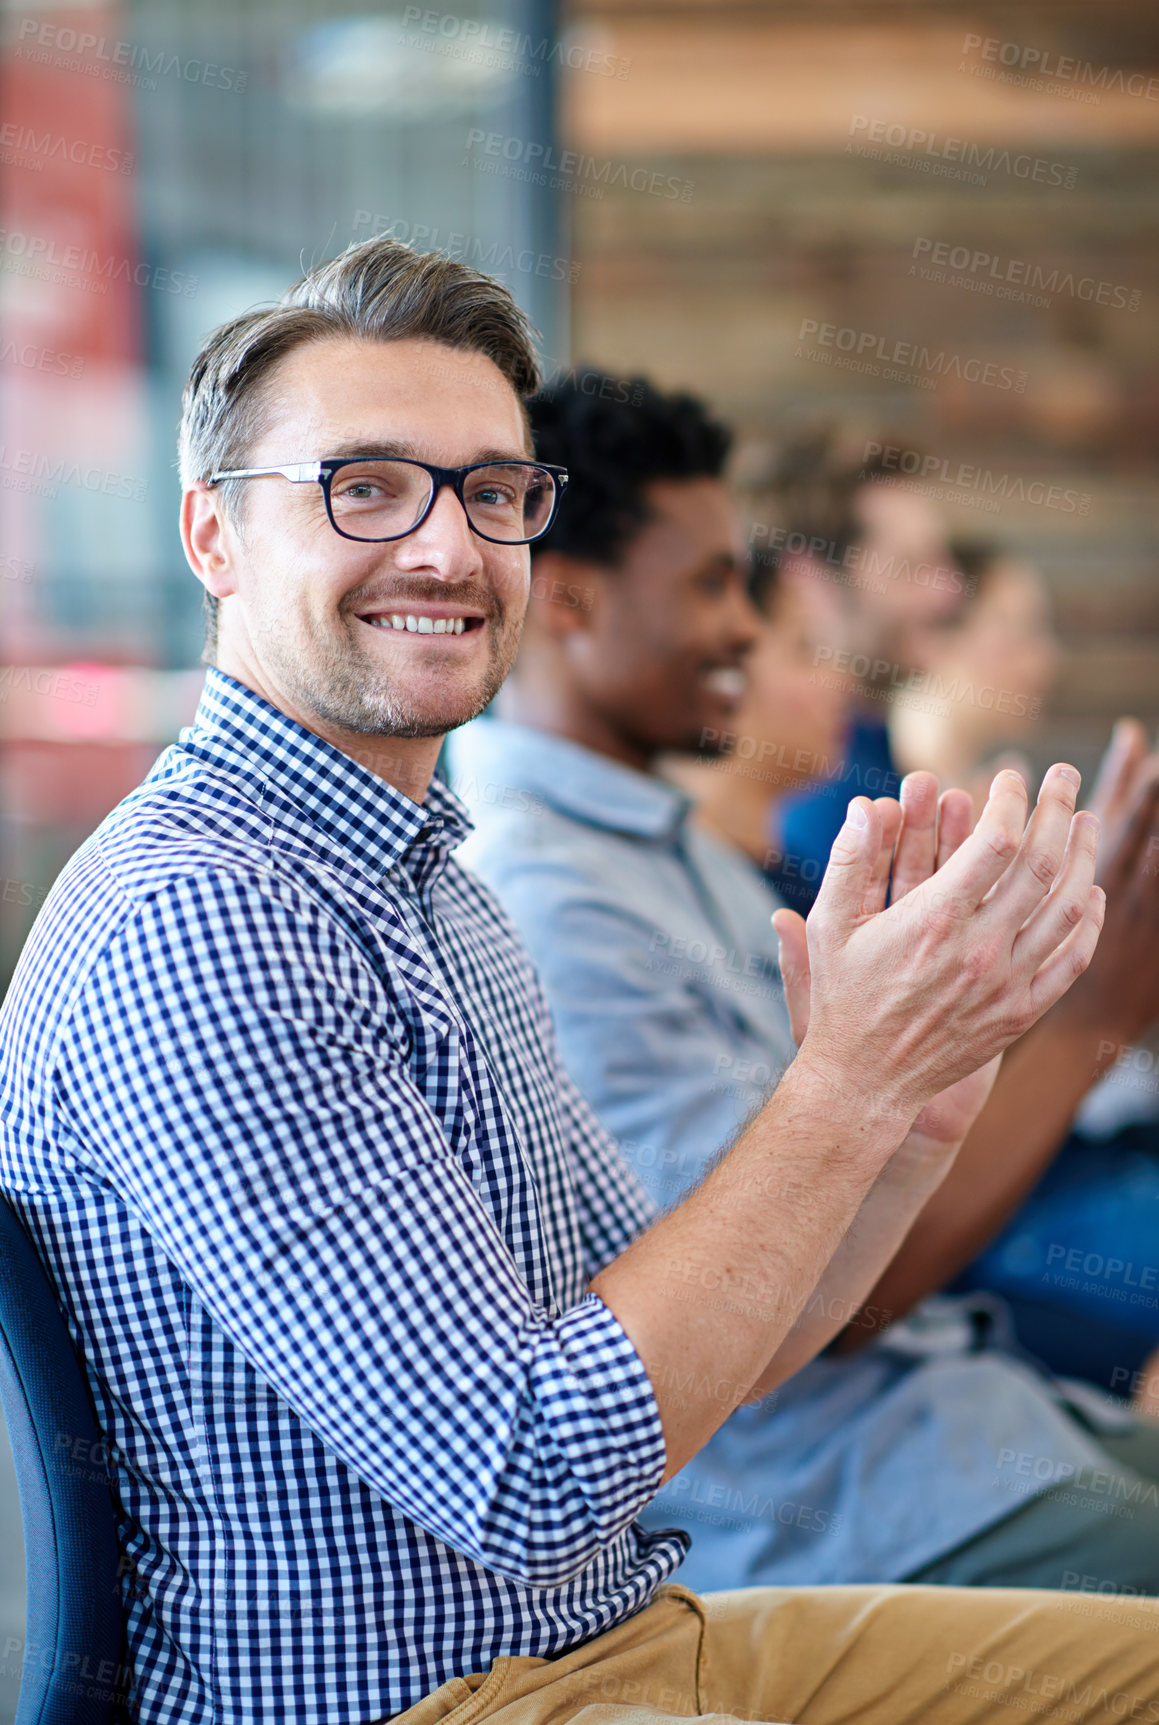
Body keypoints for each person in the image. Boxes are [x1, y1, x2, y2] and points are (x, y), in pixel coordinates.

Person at [0, 239, 1152, 1725]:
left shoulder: (434, 889)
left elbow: (723, 1364)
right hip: (427, 1702)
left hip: (619, 1637)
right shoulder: (207, 924)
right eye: (363, 486)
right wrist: (841, 1081)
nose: (444, 547)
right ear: (212, 537)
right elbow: (531, 1470)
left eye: (490, 492)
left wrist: (905, 1112)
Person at [449, 368, 1159, 1603]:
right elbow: (761, 1312)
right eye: (716, 585)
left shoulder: (666, 853)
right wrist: (1081, 1017)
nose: (746, 628)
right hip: (842, 1503)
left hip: (950, 1424)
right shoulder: (549, 896)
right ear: (565, 600)